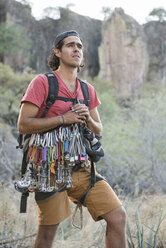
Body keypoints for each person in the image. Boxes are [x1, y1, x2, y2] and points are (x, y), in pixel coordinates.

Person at [17, 30, 127, 248]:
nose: (77, 49)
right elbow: (24, 124)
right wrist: (63, 118)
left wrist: (87, 117)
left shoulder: (87, 90)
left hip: (82, 168)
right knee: (48, 232)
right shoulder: (42, 83)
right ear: (57, 52)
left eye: (80, 46)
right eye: (70, 45)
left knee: (117, 216)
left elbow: (98, 129)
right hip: (48, 170)